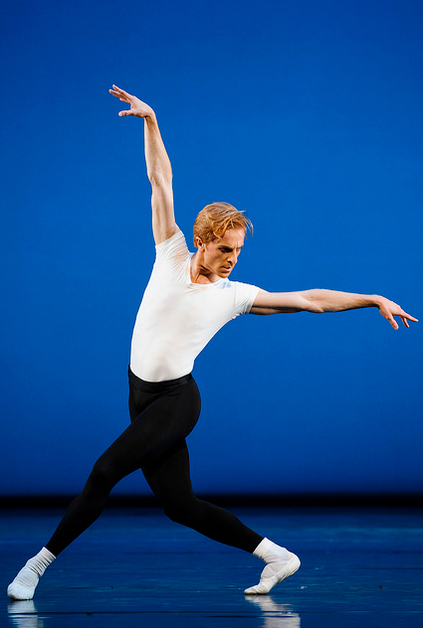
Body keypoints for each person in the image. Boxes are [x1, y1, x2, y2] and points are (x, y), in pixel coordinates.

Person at [7, 86, 417, 602]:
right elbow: (160, 179)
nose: (232, 259)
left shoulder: (236, 295)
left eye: (239, 250)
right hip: (140, 395)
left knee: (105, 471)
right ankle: (276, 556)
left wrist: (372, 297)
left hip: (178, 401)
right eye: (225, 248)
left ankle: (35, 568)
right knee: (179, 505)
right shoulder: (171, 253)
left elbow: (312, 300)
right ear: (202, 240)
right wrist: (151, 121)